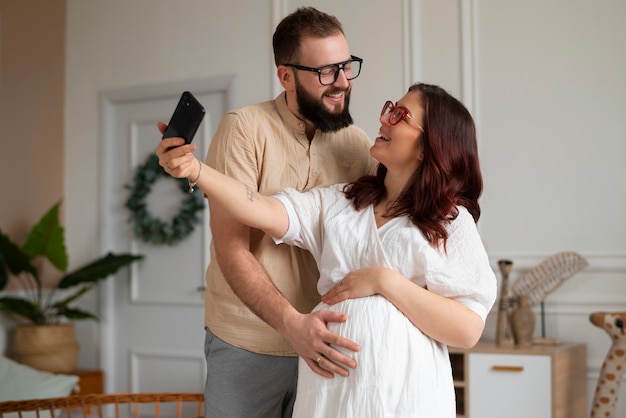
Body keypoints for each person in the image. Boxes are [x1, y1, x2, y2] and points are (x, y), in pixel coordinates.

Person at [156, 82, 497, 418]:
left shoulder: (450, 221)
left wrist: (384, 281)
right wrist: (196, 171)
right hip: (328, 391)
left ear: (428, 145)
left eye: (400, 115)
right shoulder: (341, 202)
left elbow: (468, 329)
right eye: (390, 108)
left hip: (404, 393)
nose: (384, 119)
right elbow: (258, 207)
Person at [160, 7, 377, 418]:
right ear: (286, 76)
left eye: (347, 67)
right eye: (327, 72)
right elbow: (231, 248)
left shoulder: (358, 144)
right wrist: (292, 324)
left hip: (329, 343)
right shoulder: (244, 128)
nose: (343, 83)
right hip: (248, 340)